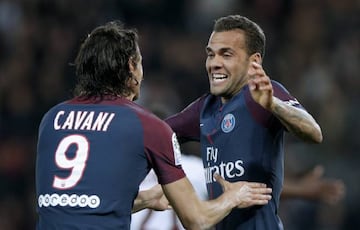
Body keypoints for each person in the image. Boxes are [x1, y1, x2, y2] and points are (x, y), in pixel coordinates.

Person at [35, 20, 273, 230]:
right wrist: (232, 197)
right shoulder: (148, 126)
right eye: (140, 61)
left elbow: (82, 204)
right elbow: (197, 220)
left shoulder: (51, 119)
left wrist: (147, 199)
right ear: (131, 66)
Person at [165, 15, 323, 230]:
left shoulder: (263, 96)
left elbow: (313, 132)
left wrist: (273, 105)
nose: (214, 64)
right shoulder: (204, 108)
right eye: (211, 55)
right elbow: (157, 135)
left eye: (226, 54)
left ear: (254, 62)